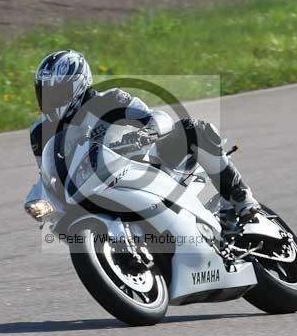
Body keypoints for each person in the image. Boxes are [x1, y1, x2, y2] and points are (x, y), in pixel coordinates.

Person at [25, 49, 263, 221]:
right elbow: (46, 173)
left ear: (78, 85)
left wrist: (147, 132)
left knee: (193, 129)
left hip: (145, 164)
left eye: (57, 91)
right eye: (44, 91)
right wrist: (36, 200)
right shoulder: (40, 132)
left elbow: (157, 117)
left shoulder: (108, 101)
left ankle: (241, 198)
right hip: (92, 189)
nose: (50, 99)